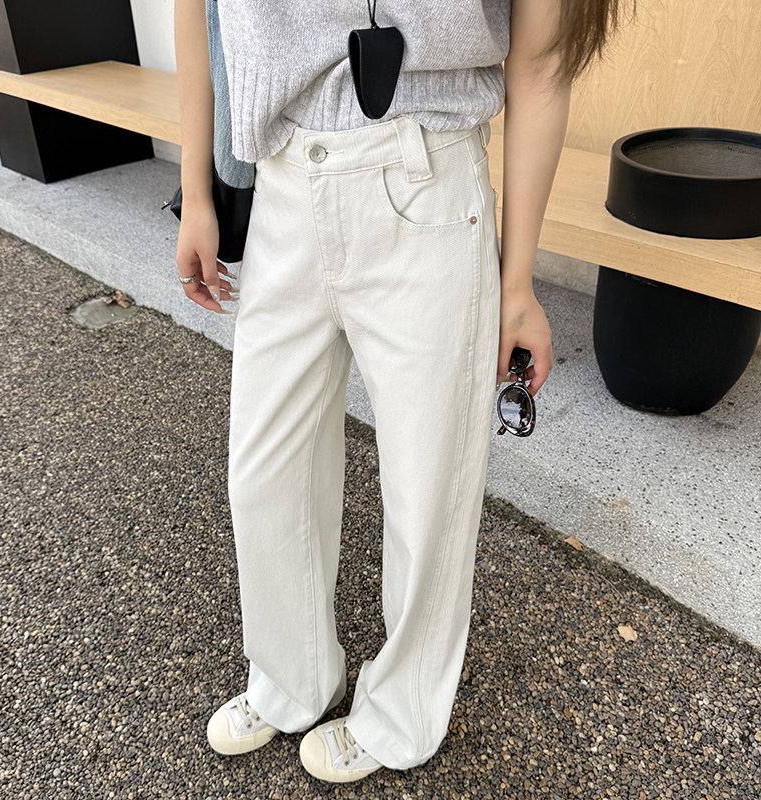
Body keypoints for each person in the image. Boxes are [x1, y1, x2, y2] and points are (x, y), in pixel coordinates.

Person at [174, 0, 634, 784]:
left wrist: (516, 280)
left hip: (428, 184)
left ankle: (402, 713)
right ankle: (291, 677)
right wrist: (196, 190)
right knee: (263, 472)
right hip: (285, 181)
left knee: (429, 484)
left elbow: (541, 63)